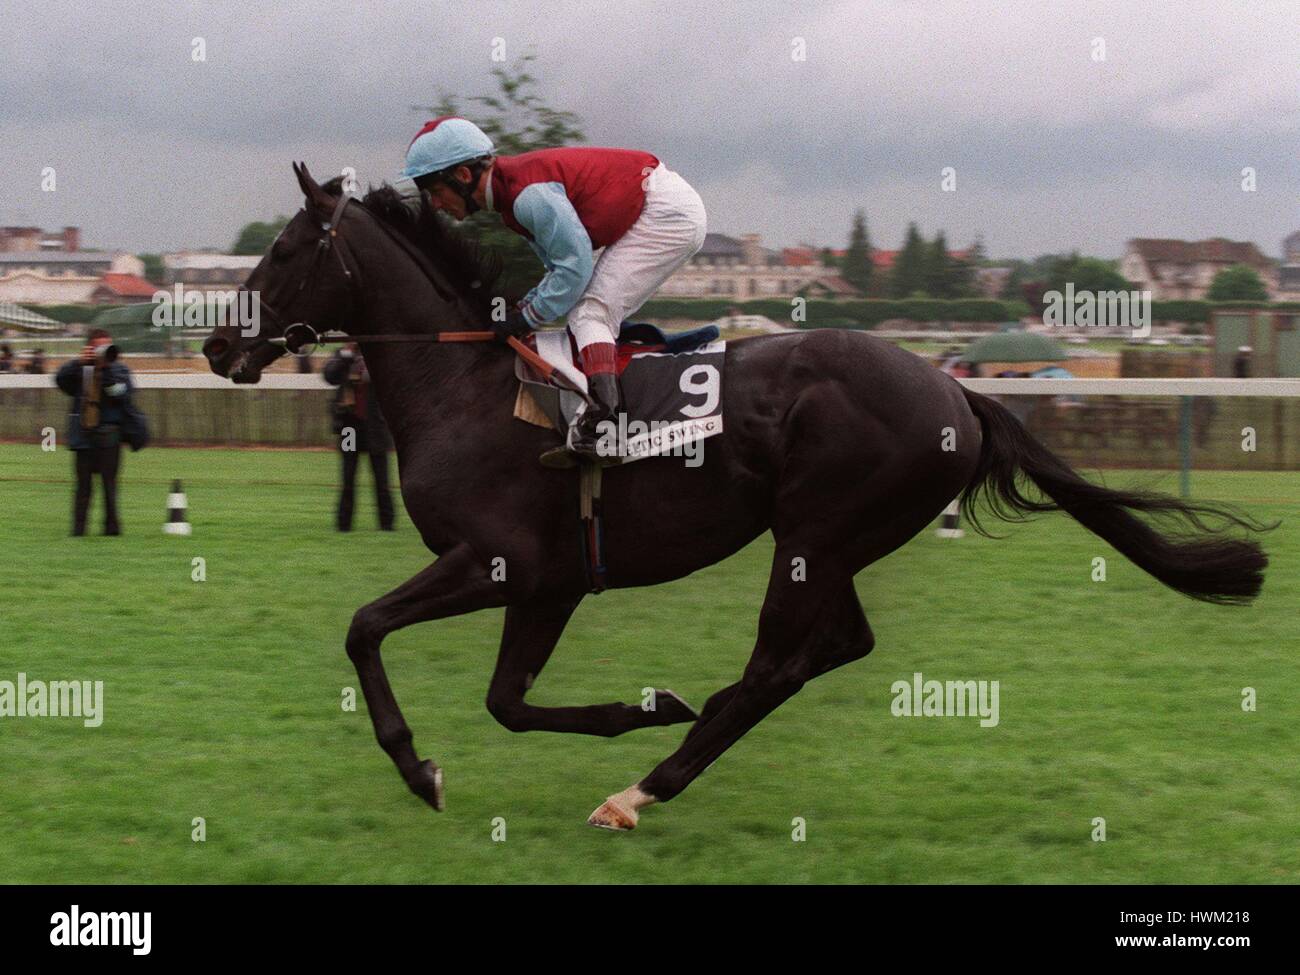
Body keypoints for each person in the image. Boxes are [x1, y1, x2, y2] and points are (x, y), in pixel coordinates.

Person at [395, 117, 707, 465]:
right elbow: (558, 274)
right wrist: (523, 313)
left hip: (667, 213)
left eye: (436, 192)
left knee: (590, 312)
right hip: (661, 205)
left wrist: (524, 318)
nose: (436, 205)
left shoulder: (528, 197)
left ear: (464, 177)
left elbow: (575, 269)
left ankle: (605, 422)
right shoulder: (511, 199)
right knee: (586, 314)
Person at [55, 329, 139, 536]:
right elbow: (60, 381)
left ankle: (111, 530)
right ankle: (78, 531)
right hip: (84, 436)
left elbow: (122, 394)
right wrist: (79, 363)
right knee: (83, 487)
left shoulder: (119, 370)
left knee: (109, 487)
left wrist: (106, 370)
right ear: (90, 348)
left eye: (108, 346)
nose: (105, 350)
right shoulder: (80, 370)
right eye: (100, 346)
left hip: (109, 436)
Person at [324, 344, 395, 532]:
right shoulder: (342, 355)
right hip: (349, 427)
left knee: (382, 480)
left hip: (375, 426)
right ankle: (344, 524)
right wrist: (343, 361)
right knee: (348, 478)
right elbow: (329, 376)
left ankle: (386, 524)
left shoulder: (378, 354)